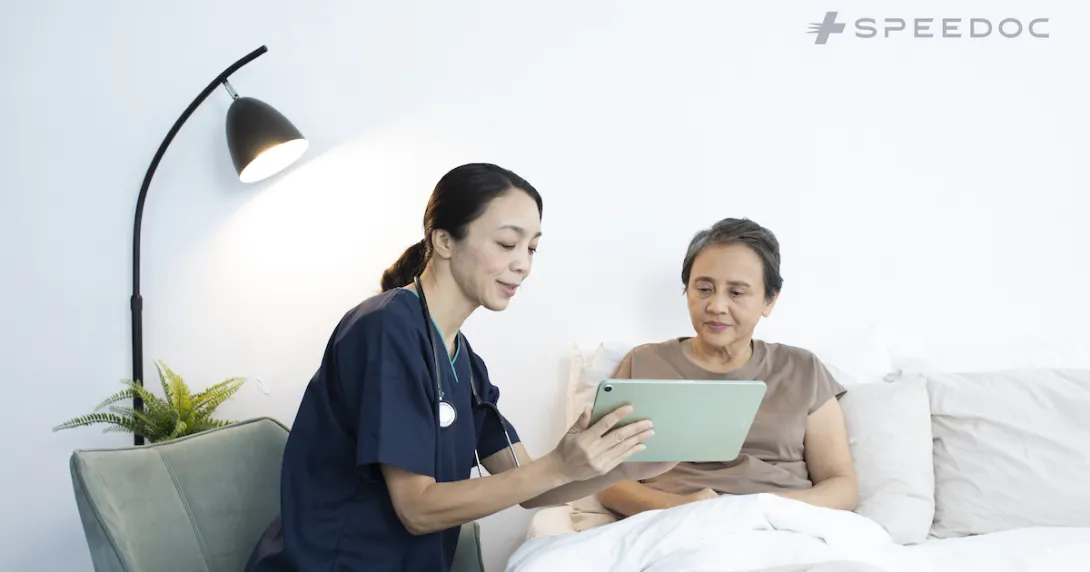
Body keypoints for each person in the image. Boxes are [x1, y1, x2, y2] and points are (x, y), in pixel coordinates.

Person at [244, 163, 677, 572]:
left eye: (532, 248)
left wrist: (619, 466)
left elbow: (531, 487)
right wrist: (560, 464)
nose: (523, 264)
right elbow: (416, 508)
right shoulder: (385, 328)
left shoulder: (464, 362)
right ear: (444, 240)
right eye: (507, 244)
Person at [595, 217, 858, 519]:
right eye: (704, 289)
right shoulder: (644, 363)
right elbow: (605, 480)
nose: (716, 305)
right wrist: (678, 508)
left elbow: (841, 486)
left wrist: (755, 509)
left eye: (736, 293)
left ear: (769, 300)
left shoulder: (803, 370)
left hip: (784, 525)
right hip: (674, 524)